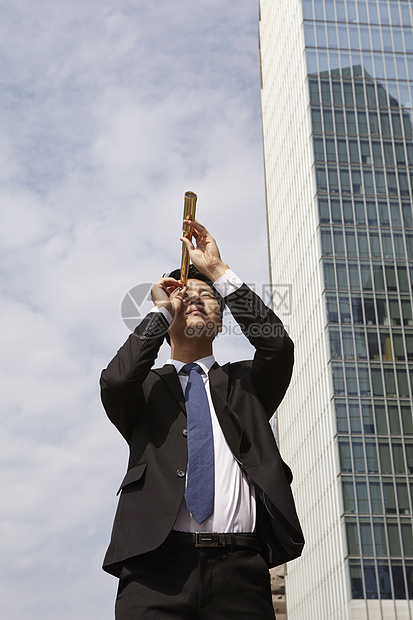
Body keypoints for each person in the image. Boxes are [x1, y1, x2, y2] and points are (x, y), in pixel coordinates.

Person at [100, 220, 304, 619]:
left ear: (221, 319)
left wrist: (218, 272)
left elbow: (277, 346)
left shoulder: (246, 386)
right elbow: (115, 380)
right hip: (155, 570)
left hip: (241, 569)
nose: (193, 299)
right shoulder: (145, 390)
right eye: (183, 296)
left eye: (205, 296)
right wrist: (161, 311)